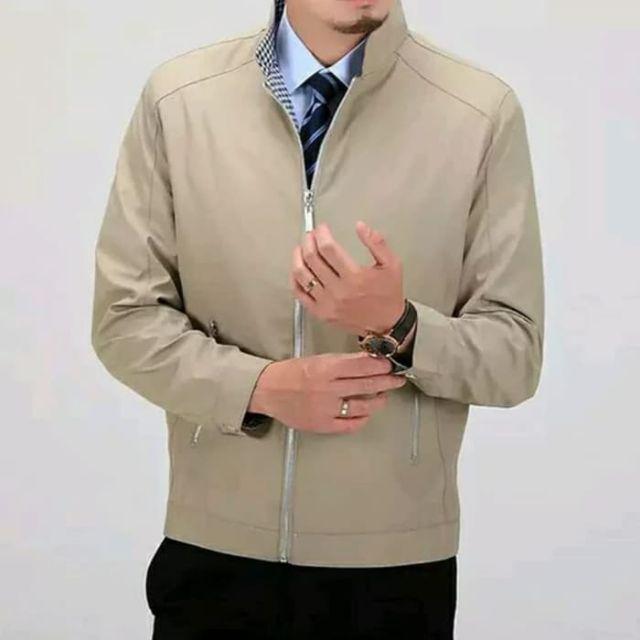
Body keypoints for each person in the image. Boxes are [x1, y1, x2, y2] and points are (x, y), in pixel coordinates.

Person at [90, 0, 545, 637]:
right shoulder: (181, 101)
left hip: (393, 571)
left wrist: (397, 324)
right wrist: (261, 388)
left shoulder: (478, 113)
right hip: (215, 557)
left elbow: (515, 355)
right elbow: (125, 319)